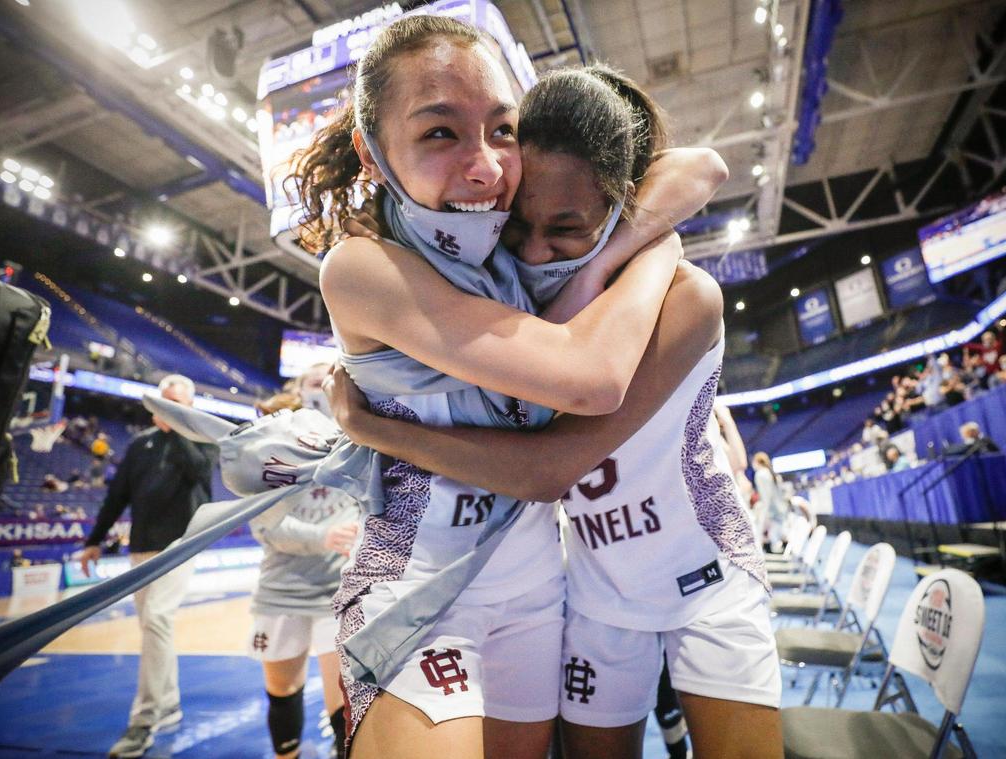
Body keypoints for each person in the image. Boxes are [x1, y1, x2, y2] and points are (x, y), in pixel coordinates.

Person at [292, 16, 726, 759]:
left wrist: (625, 246)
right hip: (417, 577)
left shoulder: (518, 246)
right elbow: (591, 379)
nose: (486, 166)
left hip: (535, 583)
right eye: (440, 133)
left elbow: (698, 165)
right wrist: (651, 245)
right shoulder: (361, 267)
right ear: (372, 151)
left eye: (501, 129)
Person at [78, 375, 218, 759]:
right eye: (164, 401)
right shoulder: (140, 445)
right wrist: (93, 541)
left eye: (176, 403)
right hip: (141, 547)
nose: (167, 409)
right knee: (154, 626)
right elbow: (117, 496)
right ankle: (169, 703)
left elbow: (199, 475)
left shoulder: (203, 439)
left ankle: (144, 720)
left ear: (189, 405)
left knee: (156, 618)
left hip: (180, 545)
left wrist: (180, 430)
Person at [248, 364, 361, 759]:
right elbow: (265, 526)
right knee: (281, 690)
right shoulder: (271, 445)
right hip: (282, 589)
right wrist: (323, 537)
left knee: (344, 699)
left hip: (339, 592)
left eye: (328, 372)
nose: (320, 376)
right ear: (297, 388)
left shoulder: (363, 436)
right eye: (311, 375)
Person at [751, 452, 788, 552]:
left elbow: (766, 497)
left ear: (757, 462)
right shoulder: (771, 473)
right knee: (781, 535)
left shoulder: (761, 474)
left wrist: (763, 514)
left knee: (764, 535)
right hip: (780, 509)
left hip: (771, 511)